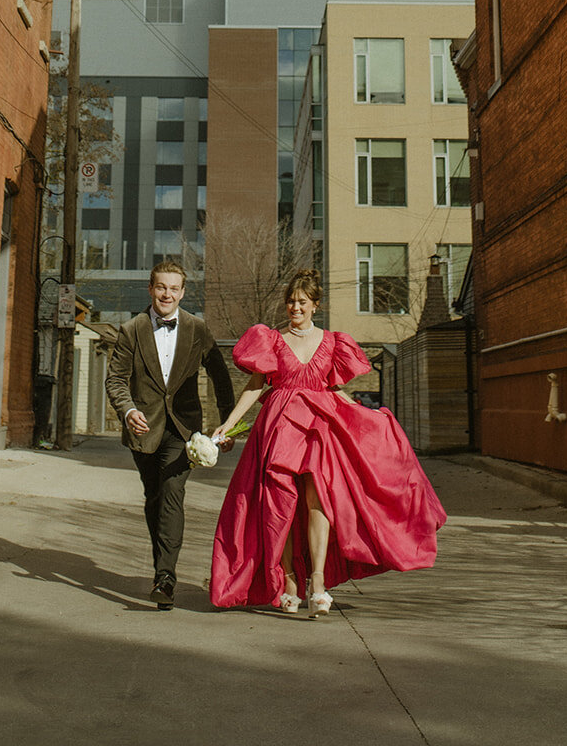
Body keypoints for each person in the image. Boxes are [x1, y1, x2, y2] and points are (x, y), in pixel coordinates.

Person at [209, 267, 446, 615]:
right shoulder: (272, 339)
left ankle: (317, 581)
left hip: (319, 426)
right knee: (281, 504)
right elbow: (256, 386)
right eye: (290, 301)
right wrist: (228, 424)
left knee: (318, 498)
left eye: (302, 302)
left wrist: (369, 417)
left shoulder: (334, 342)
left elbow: (334, 388)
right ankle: (289, 579)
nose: (295, 307)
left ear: (315, 304)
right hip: (279, 425)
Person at [106, 258, 236, 610]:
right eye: (161, 287)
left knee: (172, 493)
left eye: (174, 288)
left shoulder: (197, 329)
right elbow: (115, 379)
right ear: (151, 289)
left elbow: (220, 378)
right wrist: (129, 410)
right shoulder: (132, 329)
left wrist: (226, 424)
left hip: (183, 430)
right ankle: (161, 567)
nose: (167, 294)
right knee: (154, 497)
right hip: (144, 430)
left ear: (182, 292)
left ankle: (165, 579)